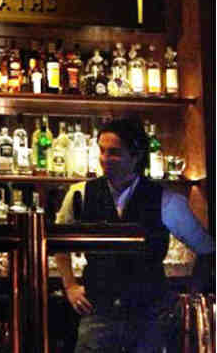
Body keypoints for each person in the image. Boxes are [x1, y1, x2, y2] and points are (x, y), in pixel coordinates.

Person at [55, 116, 215, 353]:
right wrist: (70, 285)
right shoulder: (79, 194)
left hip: (149, 318)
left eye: (114, 153)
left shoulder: (165, 199)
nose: (104, 159)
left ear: (136, 155)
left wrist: (191, 296)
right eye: (102, 151)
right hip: (98, 313)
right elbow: (58, 241)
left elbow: (207, 249)